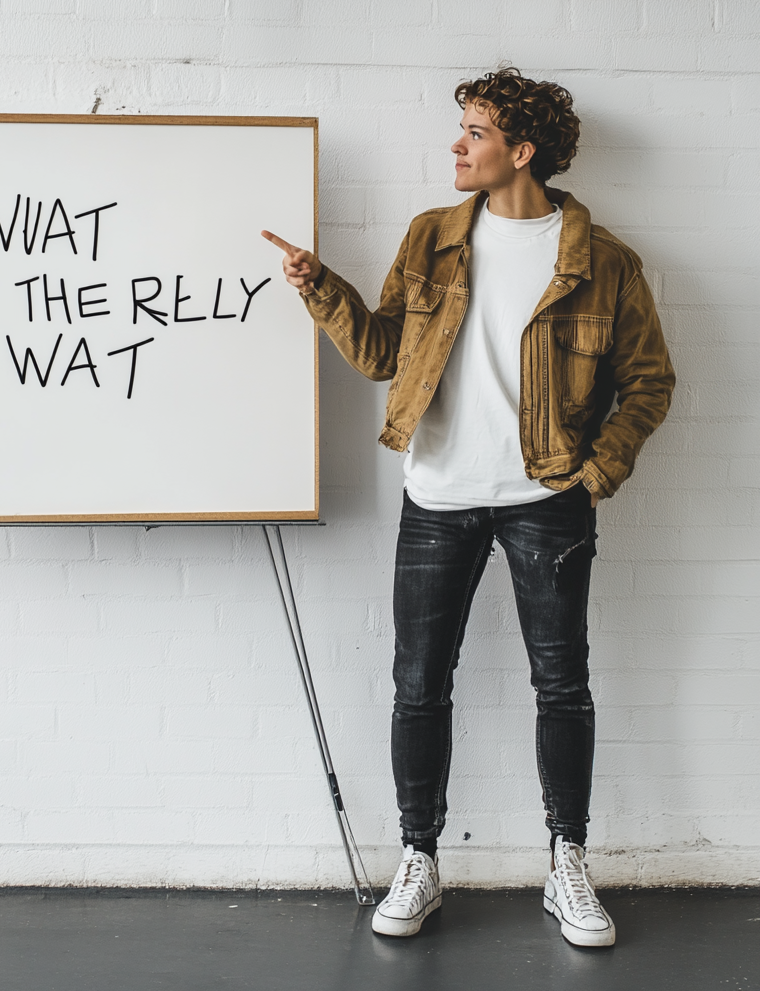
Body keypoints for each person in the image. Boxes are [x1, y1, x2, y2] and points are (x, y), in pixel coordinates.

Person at [263, 67, 674, 949]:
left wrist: (595, 474)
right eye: (462, 129)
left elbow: (648, 382)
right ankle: (420, 859)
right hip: (438, 497)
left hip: (547, 499)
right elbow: (382, 356)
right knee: (419, 686)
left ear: (520, 152)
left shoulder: (602, 261)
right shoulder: (432, 237)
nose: (456, 144)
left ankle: (567, 863)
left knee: (562, 687)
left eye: (474, 132)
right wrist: (316, 285)